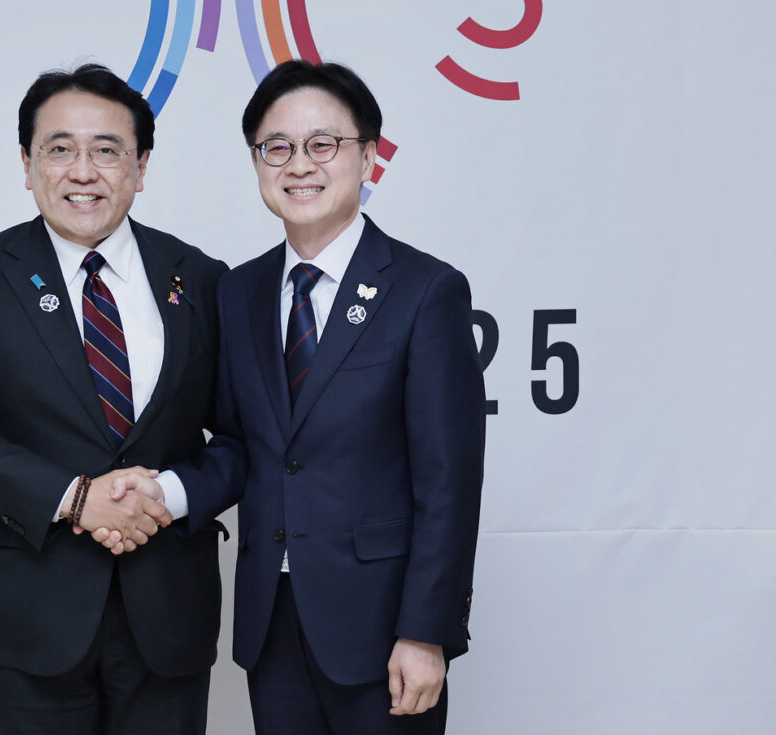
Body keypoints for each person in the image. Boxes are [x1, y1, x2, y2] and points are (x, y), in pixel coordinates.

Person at [169, 60, 486, 734]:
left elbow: (448, 480)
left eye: (323, 144)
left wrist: (426, 632)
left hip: (382, 627)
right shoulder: (239, 293)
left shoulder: (425, 290)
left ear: (367, 156)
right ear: (257, 162)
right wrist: (160, 494)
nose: (298, 164)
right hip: (271, 619)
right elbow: (236, 443)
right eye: (276, 146)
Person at [0, 63, 226, 735]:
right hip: (30, 612)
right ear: (27, 164)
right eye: (60, 149)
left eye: (107, 151)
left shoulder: (199, 278)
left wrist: (163, 496)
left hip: (167, 612)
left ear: (140, 166)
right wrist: (79, 497)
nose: (83, 171)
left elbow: (239, 438)